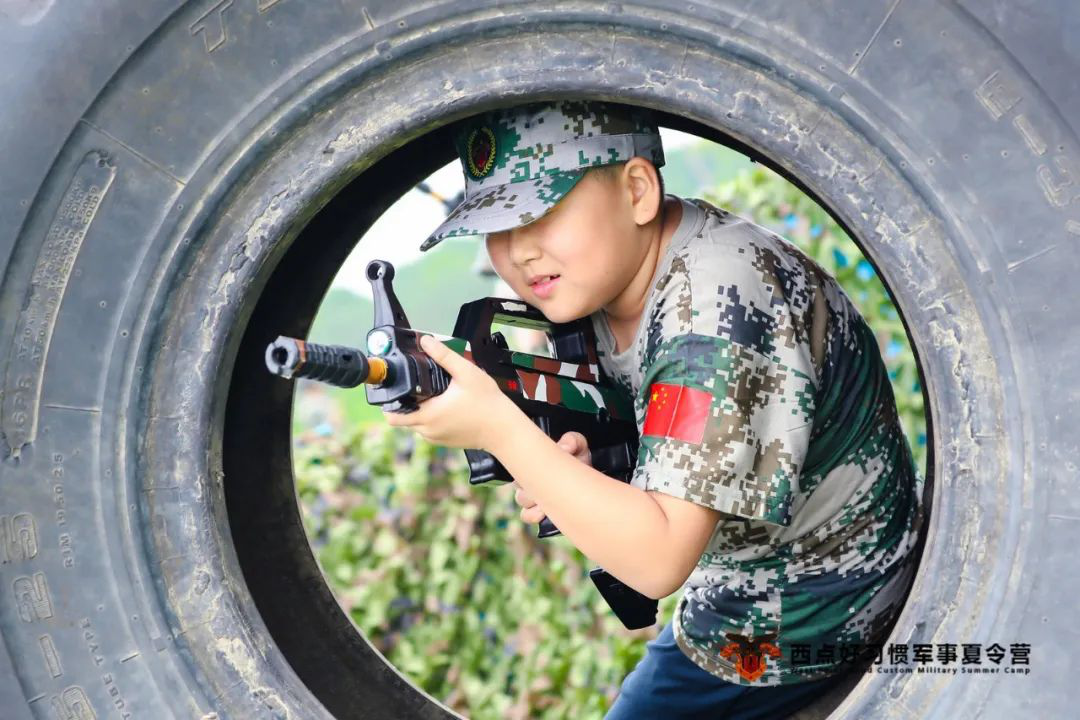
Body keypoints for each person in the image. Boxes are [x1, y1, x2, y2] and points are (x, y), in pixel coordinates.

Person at [384, 99, 925, 719]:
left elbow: (657, 561)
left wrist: (504, 434)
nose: (520, 251)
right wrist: (577, 468)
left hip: (813, 610)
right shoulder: (612, 286)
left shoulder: (716, 305)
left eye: (543, 212)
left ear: (638, 190)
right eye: (498, 226)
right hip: (766, 584)